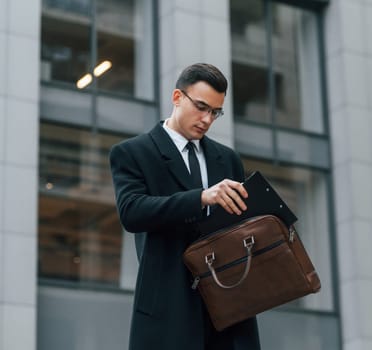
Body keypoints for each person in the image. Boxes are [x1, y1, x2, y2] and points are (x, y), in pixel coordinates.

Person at [109, 63, 261, 350]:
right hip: (169, 306)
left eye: (215, 112)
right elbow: (132, 211)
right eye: (201, 107)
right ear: (177, 97)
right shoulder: (133, 152)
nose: (207, 119)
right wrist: (201, 197)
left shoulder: (228, 159)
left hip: (229, 305)